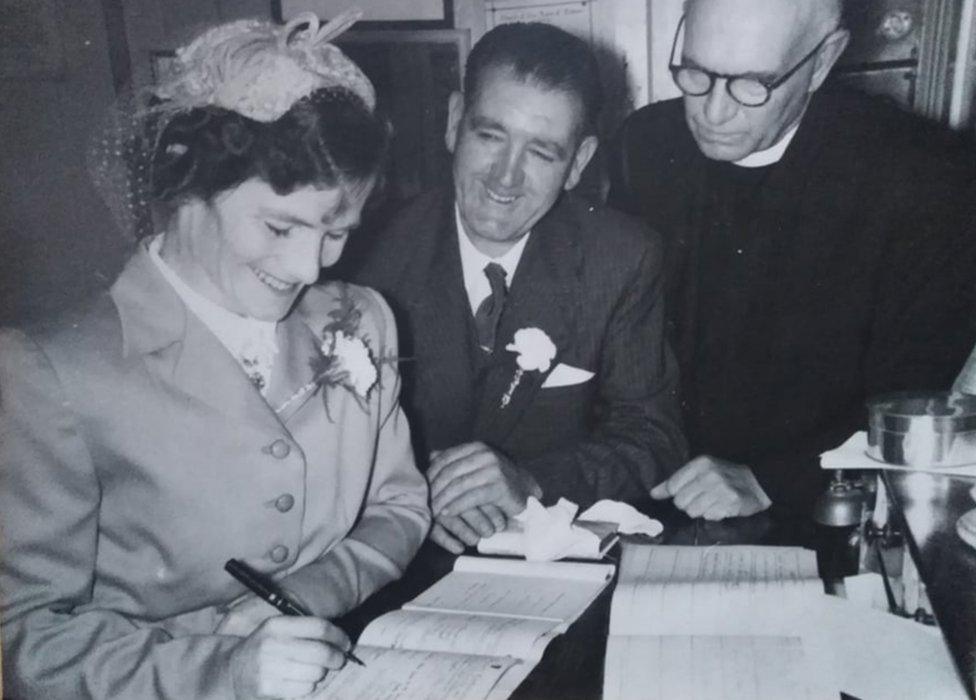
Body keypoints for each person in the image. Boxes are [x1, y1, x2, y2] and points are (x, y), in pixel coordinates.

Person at [0, 13, 430, 700]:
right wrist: (219, 672)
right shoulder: (49, 372)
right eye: (280, 226)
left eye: (336, 232)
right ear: (190, 186)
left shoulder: (363, 320)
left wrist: (307, 592)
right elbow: (19, 639)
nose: (310, 268)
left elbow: (401, 506)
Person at [608, 0, 975, 520]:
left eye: (754, 84)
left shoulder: (926, 180)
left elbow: (912, 404)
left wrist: (772, 481)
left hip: (827, 507)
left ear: (824, 61)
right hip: (651, 493)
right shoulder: (642, 146)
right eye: (695, 72)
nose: (714, 112)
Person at [354, 22, 686, 554]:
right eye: (490, 136)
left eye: (541, 152)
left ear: (577, 163)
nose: (505, 179)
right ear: (454, 123)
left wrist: (531, 481)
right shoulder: (363, 256)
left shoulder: (622, 258)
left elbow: (653, 439)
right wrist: (410, 501)